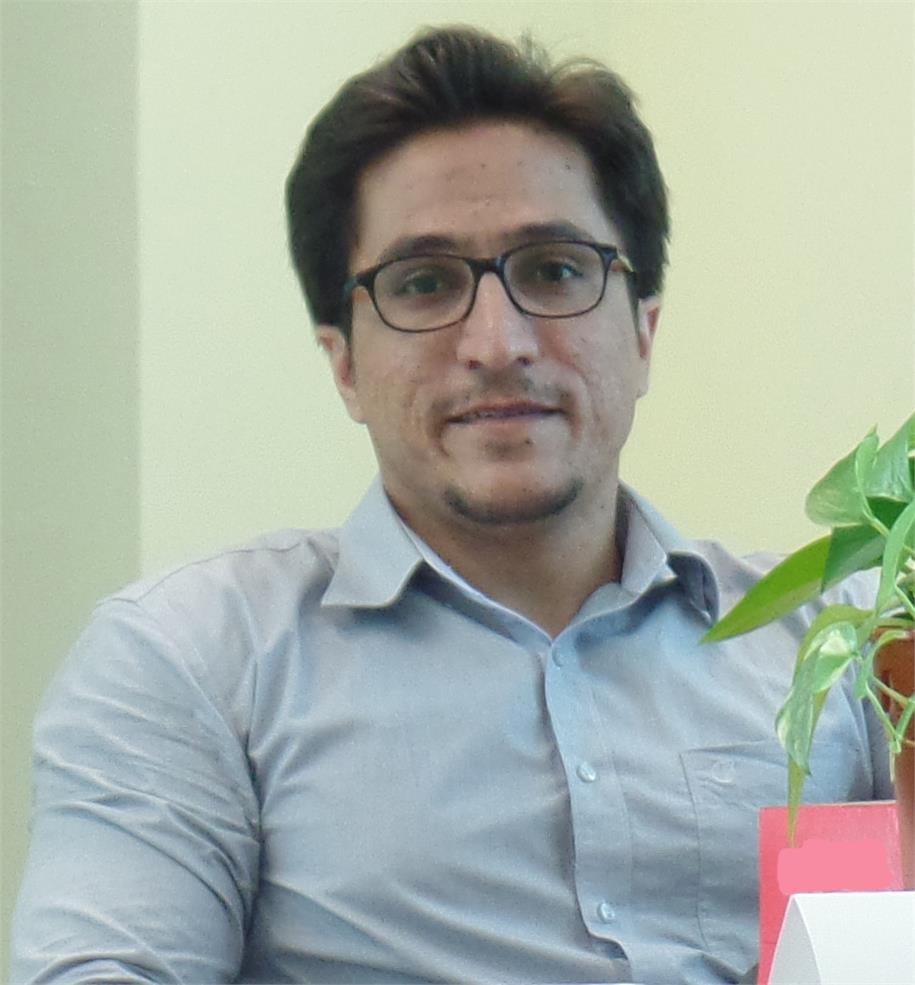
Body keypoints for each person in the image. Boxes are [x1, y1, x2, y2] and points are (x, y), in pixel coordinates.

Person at [11, 26, 892, 985]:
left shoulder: (843, 644)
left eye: (553, 269)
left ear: (643, 332)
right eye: (424, 284)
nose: (497, 343)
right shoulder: (195, 660)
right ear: (344, 365)